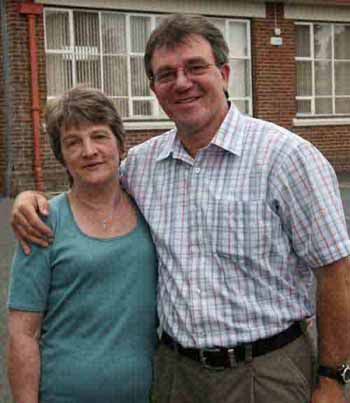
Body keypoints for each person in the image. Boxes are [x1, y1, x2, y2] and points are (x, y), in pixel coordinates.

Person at [11, 14, 350, 403]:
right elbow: (92, 178)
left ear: (224, 73)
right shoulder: (141, 166)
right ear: (155, 89)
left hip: (265, 373)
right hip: (175, 375)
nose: (182, 83)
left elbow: (335, 272)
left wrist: (332, 378)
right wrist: (28, 199)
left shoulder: (287, 158)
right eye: (166, 74)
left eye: (195, 67)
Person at [7, 86, 157, 403]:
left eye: (99, 136)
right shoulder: (42, 221)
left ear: (120, 143)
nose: (89, 150)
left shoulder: (150, 209)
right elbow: (23, 333)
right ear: (61, 156)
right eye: (73, 142)